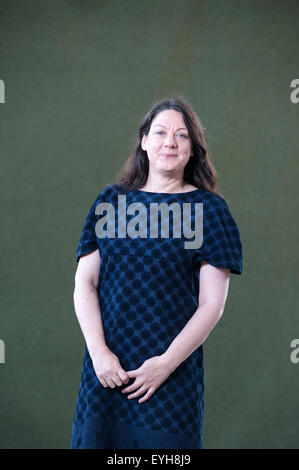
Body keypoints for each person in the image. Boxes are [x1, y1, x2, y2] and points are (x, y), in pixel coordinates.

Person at [70, 96, 243, 449]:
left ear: (193, 149)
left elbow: (212, 304)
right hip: (106, 373)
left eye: (182, 136)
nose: (170, 142)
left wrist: (165, 364)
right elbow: (85, 284)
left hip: (171, 378)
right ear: (144, 141)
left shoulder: (210, 211)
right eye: (161, 132)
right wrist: (100, 353)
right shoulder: (111, 202)